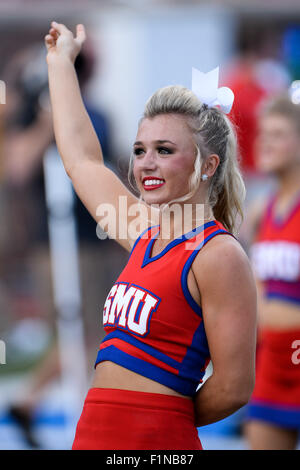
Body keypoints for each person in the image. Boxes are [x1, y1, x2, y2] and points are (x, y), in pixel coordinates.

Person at [44, 22, 257, 450]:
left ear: (208, 165)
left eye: (164, 150)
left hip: (156, 443)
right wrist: (60, 63)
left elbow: (234, 386)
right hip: (92, 437)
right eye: (140, 150)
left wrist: (161, 415)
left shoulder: (218, 254)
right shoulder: (141, 229)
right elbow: (82, 160)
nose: (146, 164)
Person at [244, 92, 300, 450]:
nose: (265, 143)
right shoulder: (259, 210)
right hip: (270, 366)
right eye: (263, 134)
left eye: (278, 134)